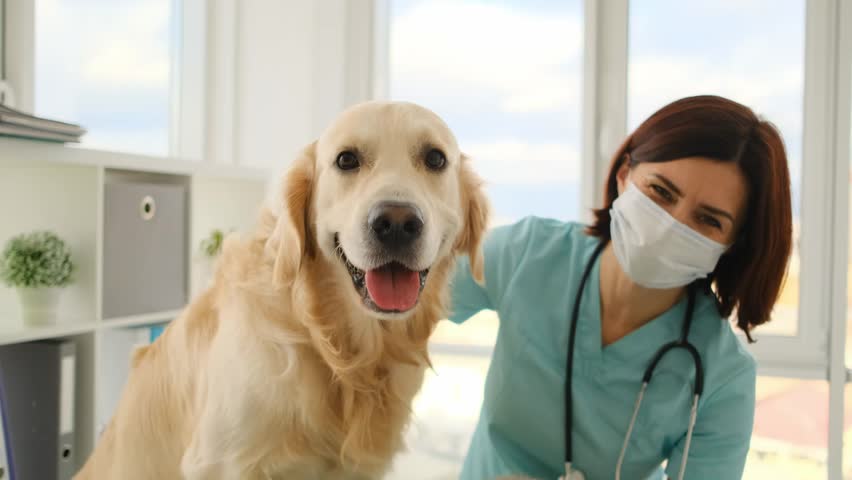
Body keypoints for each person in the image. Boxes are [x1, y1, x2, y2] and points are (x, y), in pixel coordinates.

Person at [449, 95, 793, 480]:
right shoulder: (528, 256)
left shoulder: (721, 377)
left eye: (708, 220)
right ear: (625, 175)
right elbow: (392, 313)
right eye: (661, 192)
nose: (671, 225)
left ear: (732, 245)